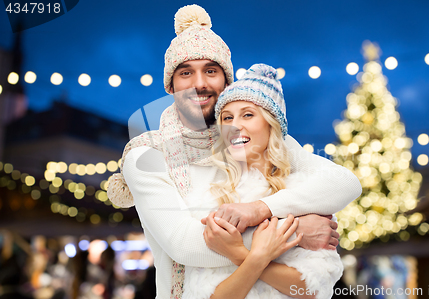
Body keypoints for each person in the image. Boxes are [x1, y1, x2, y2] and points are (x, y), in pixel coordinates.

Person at [107, 4, 362, 298]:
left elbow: (344, 182)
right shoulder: (147, 155)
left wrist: (260, 210)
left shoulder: (249, 138)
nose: (199, 83)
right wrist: (297, 231)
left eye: (211, 71)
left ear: (226, 81)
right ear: (171, 85)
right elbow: (186, 244)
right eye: (186, 72)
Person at [181, 64, 344, 299]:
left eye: (248, 114)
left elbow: (312, 289)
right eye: (227, 118)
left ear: (271, 124)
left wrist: (238, 253)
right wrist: (261, 253)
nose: (235, 125)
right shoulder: (209, 195)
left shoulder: (306, 193)